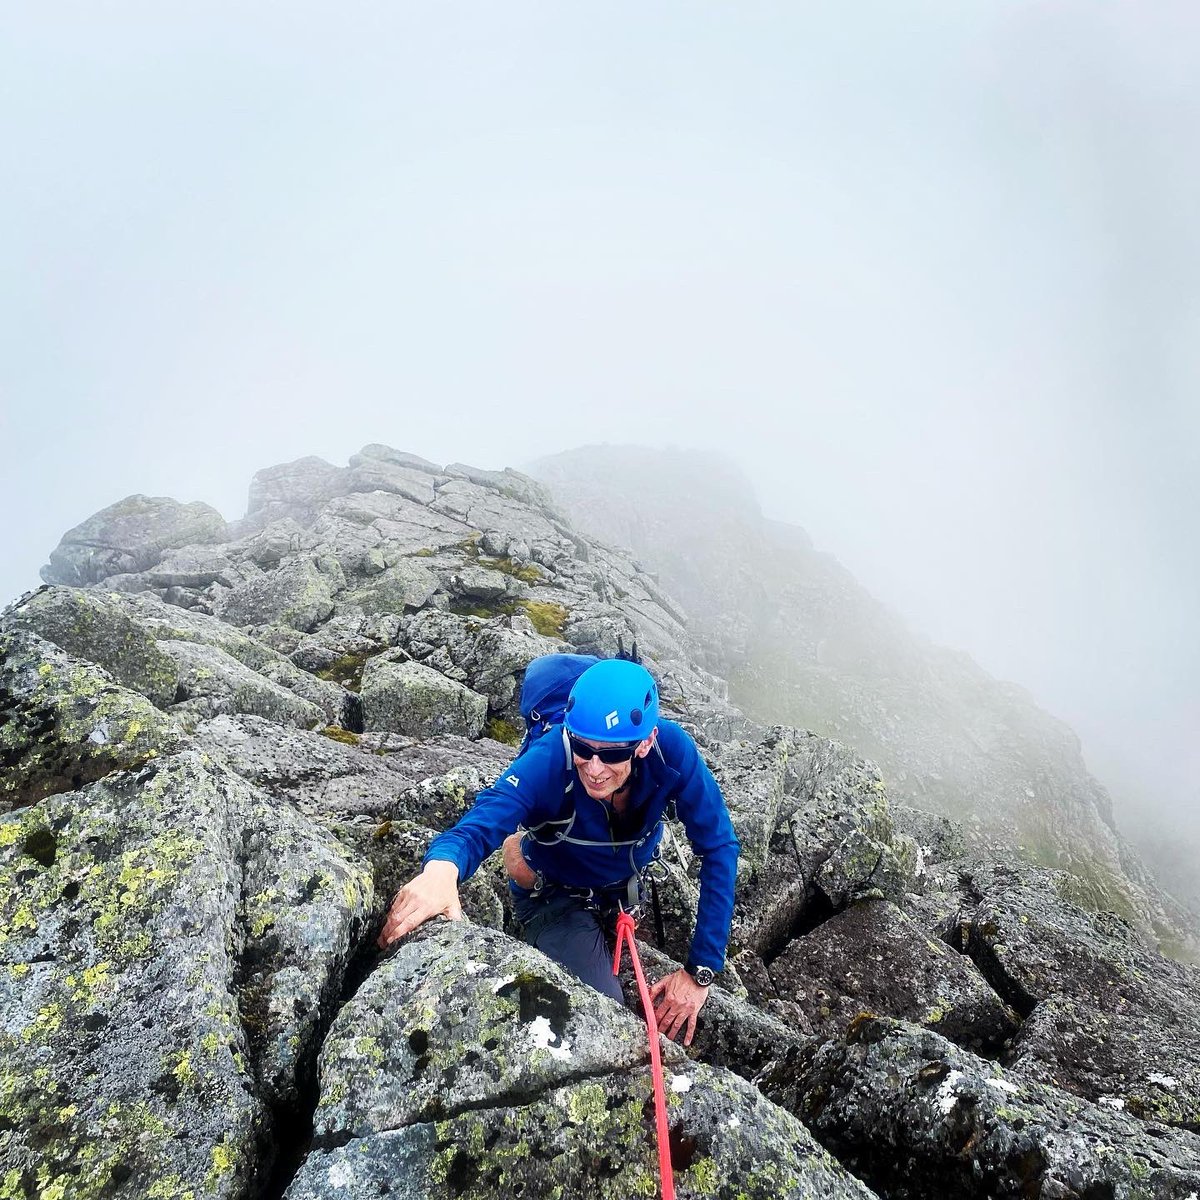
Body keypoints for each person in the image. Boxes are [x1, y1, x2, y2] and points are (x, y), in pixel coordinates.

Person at [378, 658, 740, 1046]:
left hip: (621, 887)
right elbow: (480, 822)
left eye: (613, 754)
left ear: (646, 741)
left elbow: (719, 845)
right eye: (583, 747)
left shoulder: (671, 751)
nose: (595, 768)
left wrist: (701, 970)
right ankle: (526, 873)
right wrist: (441, 871)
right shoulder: (550, 759)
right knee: (607, 1024)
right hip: (556, 896)